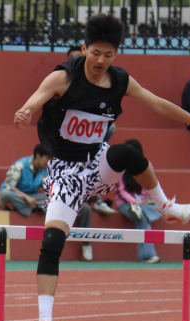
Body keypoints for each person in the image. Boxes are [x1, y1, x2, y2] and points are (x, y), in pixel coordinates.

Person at [13, 14, 190, 321]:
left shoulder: (120, 81)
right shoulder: (63, 77)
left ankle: (165, 206)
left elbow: (159, 104)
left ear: (116, 54)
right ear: (83, 49)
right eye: (95, 53)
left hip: (97, 163)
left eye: (108, 55)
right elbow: (35, 99)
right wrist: (25, 111)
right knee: (52, 242)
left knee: (127, 153)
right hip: (65, 172)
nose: (101, 61)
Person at [67, 45, 117, 216]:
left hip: (90, 138)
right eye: (72, 58)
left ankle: (96, 199)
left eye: (107, 54)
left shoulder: (104, 80)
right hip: (67, 139)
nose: (75, 60)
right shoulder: (64, 78)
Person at [114, 139, 161, 263]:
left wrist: (144, 201)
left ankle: (146, 255)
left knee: (144, 214)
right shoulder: (120, 166)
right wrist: (134, 202)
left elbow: (149, 185)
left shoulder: (146, 165)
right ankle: (147, 255)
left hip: (143, 203)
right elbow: (121, 190)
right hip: (125, 203)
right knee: (141, 216)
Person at [0, 144, 51, 217]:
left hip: (32, 198)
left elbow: (46, 190)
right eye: (48, 158)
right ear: (38, 156)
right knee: (4, 194)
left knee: (52, 197)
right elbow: (9, 186)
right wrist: (26, 197)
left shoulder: (45, 170)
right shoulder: (20, 164)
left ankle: (24, 208)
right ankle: (34, 208)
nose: (49, 161)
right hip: (16, 196)